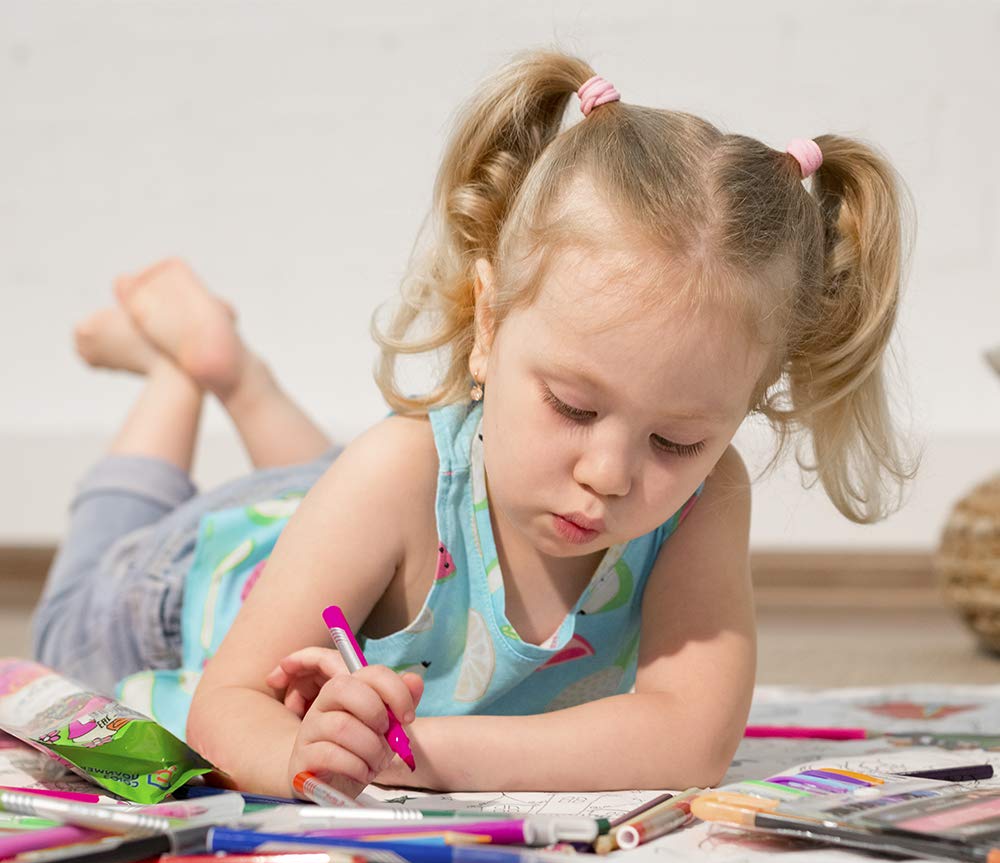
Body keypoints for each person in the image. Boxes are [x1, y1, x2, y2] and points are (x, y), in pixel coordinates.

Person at [33, 49, 914, 799]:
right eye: (573, 406)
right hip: (179, 586)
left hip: (351, 525)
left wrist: (422, 755)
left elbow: (690, 739)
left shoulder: (704, 496)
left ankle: (239, 375)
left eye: (676, 441)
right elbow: (226, 704)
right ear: (487, 324)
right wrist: (298, 755)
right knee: (70, 620)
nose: (610, 472)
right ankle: (177, 374)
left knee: (360, 492)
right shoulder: (398, 474)